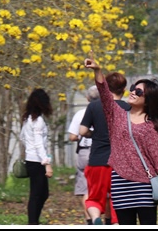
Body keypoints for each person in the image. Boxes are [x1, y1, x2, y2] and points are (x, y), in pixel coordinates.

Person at [84, 56, 158, 225]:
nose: (133, 92)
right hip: (120, 184)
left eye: (139, 91)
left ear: (148, 99)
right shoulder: (117, 115)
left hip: (144, 186)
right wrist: (98, 71)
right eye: (134, 88)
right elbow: (105, 94)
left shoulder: (151, 126)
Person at [79, 72, 130, 225]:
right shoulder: (128, 108)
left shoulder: (94, 106)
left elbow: (82, 131)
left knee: (94, 198)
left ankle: (95, 218)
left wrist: (95, 134)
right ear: (124, 89)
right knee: (118, 200)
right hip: (120, 163)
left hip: (97, 161)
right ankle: (114, 223)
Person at [19, 88, 53, 225]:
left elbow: (22, 137)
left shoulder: (28, 119)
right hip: (37, 162)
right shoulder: (38, 121)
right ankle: (32, 223)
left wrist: (30, 149)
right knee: (37, 195)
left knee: (41, 194)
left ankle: (34, 222)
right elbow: (39, 144)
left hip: (31, 160)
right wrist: (47, 164)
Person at [67, 86, 95, 224]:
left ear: (87, 98)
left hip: (84, 152)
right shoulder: (106, 113)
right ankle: (108, 221)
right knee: (106, 188)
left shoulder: (80, 114)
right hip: (102, 152)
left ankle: (89, 221)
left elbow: (72, 137)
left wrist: (82, 136)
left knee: (86, 189)